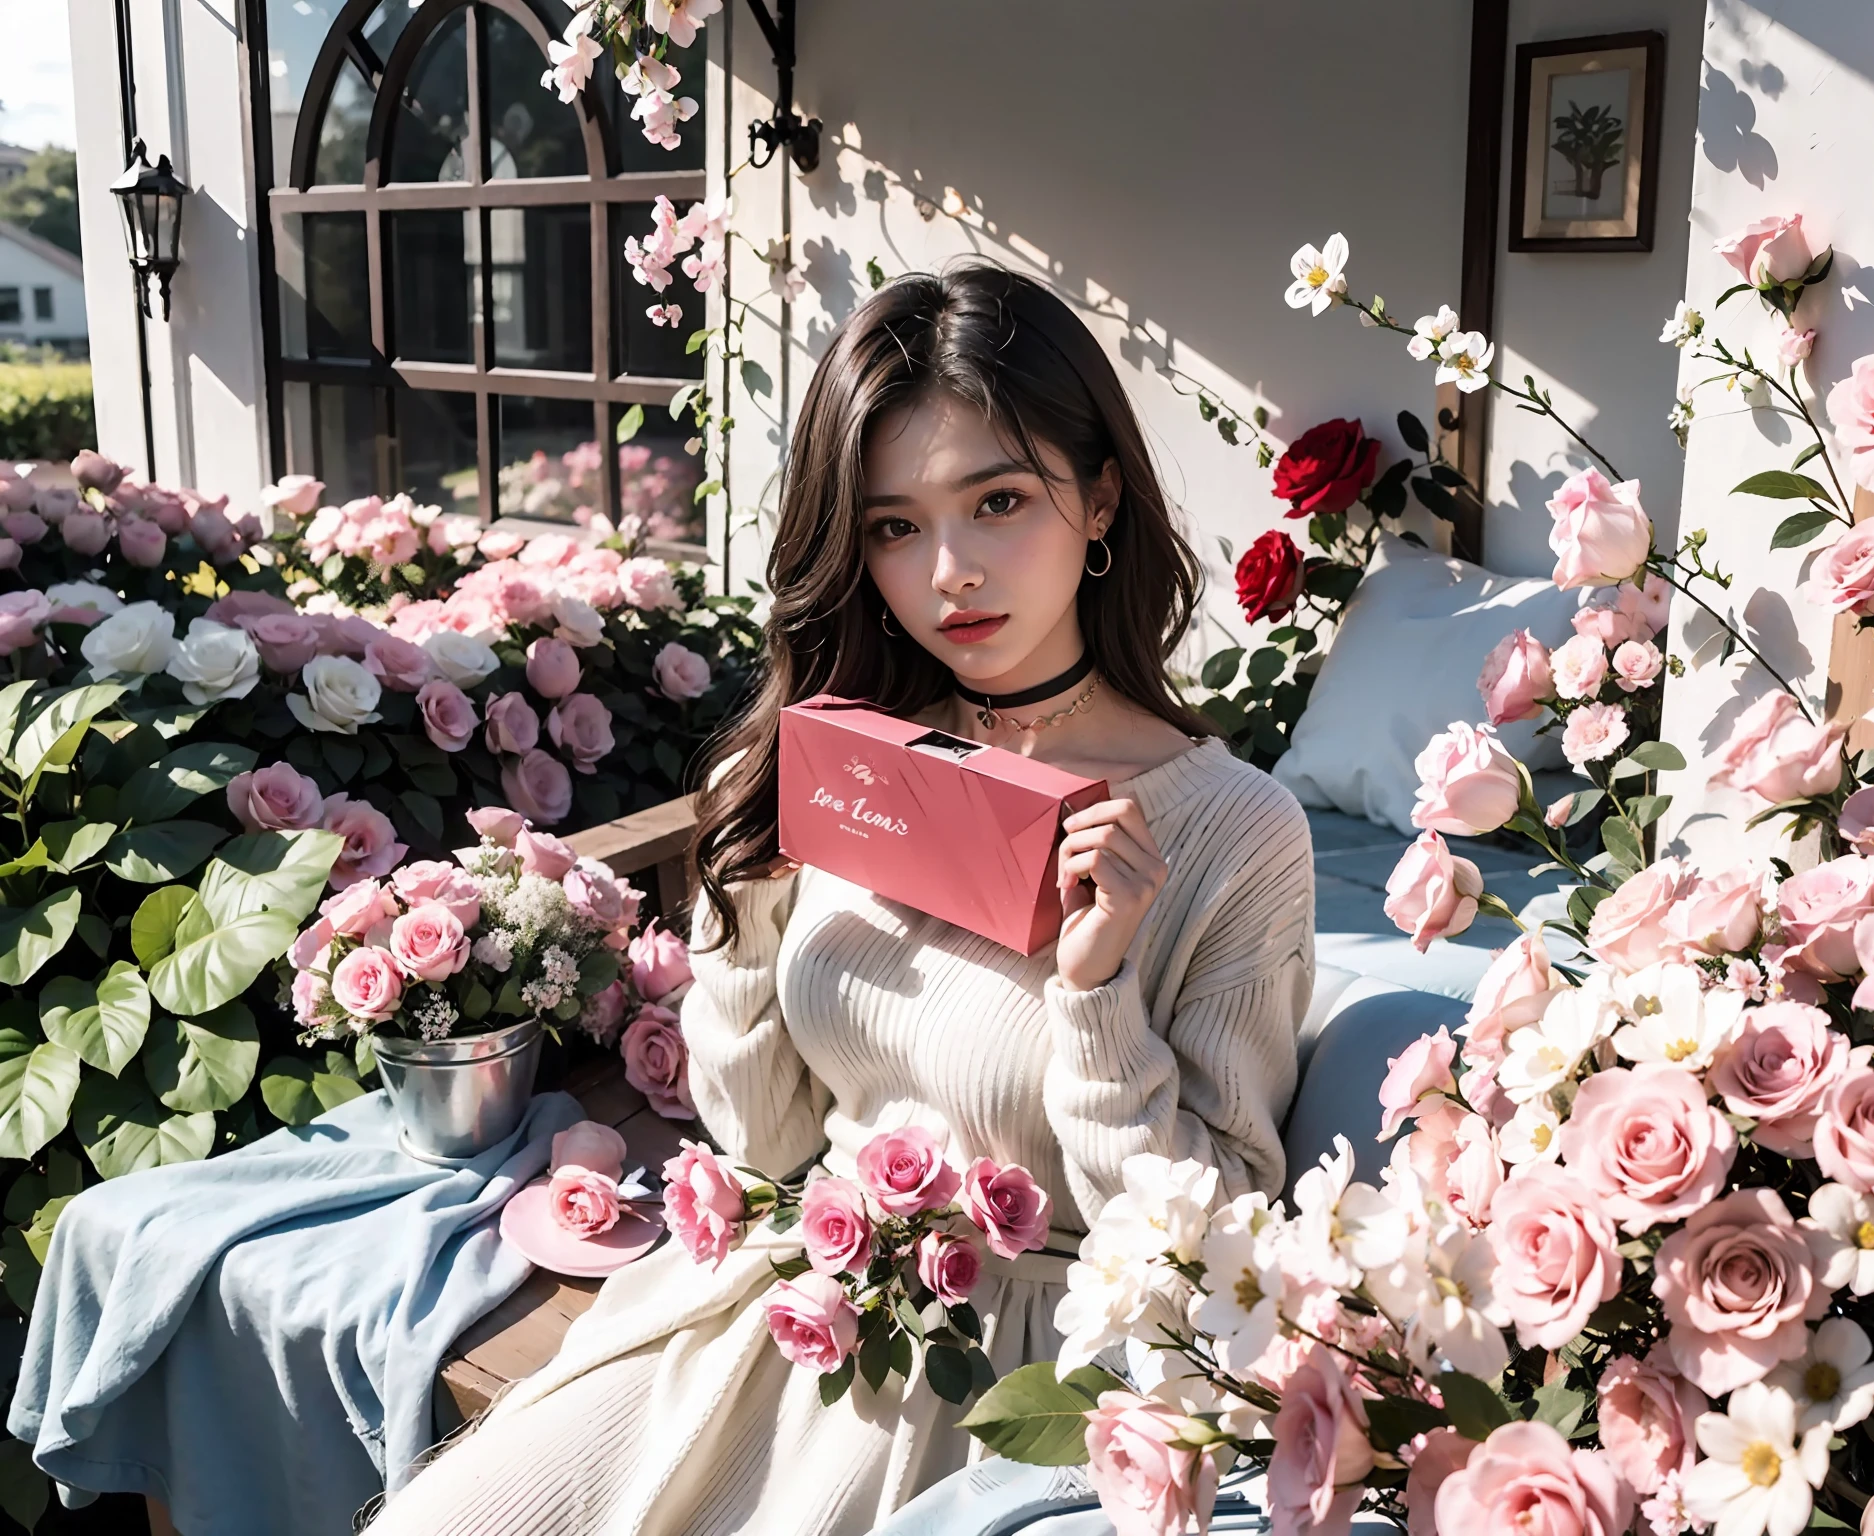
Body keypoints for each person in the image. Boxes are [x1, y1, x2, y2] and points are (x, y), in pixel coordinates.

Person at [368, 263, 1316, 1536]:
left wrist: (1094, 997)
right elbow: (760, 1145)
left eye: (997, 501)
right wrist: (751, 916)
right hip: (790, 1305)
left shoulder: (1233, 832)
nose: (948, 574)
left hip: (1016, 1388)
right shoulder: (858, 768)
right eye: (891, 526)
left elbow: (1205, 1256)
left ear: (1097, 502)